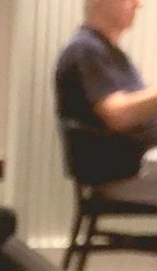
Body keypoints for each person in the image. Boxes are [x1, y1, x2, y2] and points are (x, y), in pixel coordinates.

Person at [55, 0, 157, 202]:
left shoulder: (107, 52)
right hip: (124, 173)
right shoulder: (85, 50)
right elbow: (117, 115)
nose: (138, 4)